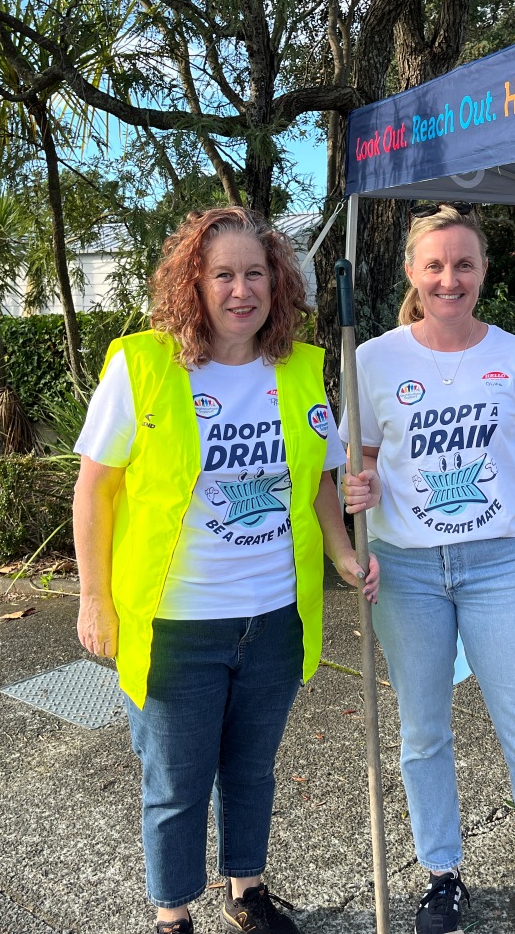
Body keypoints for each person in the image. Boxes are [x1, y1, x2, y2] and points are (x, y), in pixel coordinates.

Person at [72, 206, 377, 934]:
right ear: (194, 284)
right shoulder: (142, 365)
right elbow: (95, 487)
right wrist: (93, 599)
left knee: (250, 769)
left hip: (274, 617)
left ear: (277, 283)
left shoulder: (300, 370)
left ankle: (247, 889)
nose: (242, 290)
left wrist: (342, 554)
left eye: (255, 274)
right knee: (176, 783)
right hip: (177, 624)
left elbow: (321, 484)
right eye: (223, 275)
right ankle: (173, 914)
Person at [340, 202, 515, 934]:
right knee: (423, 731)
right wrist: (359, 488)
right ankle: (442, 876)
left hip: (501, 567)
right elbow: (358, 465)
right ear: (413, 274)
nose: (449, 278)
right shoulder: (374, 359)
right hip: (407, 572)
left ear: (483, 271)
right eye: (435, 265)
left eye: (463, 264)